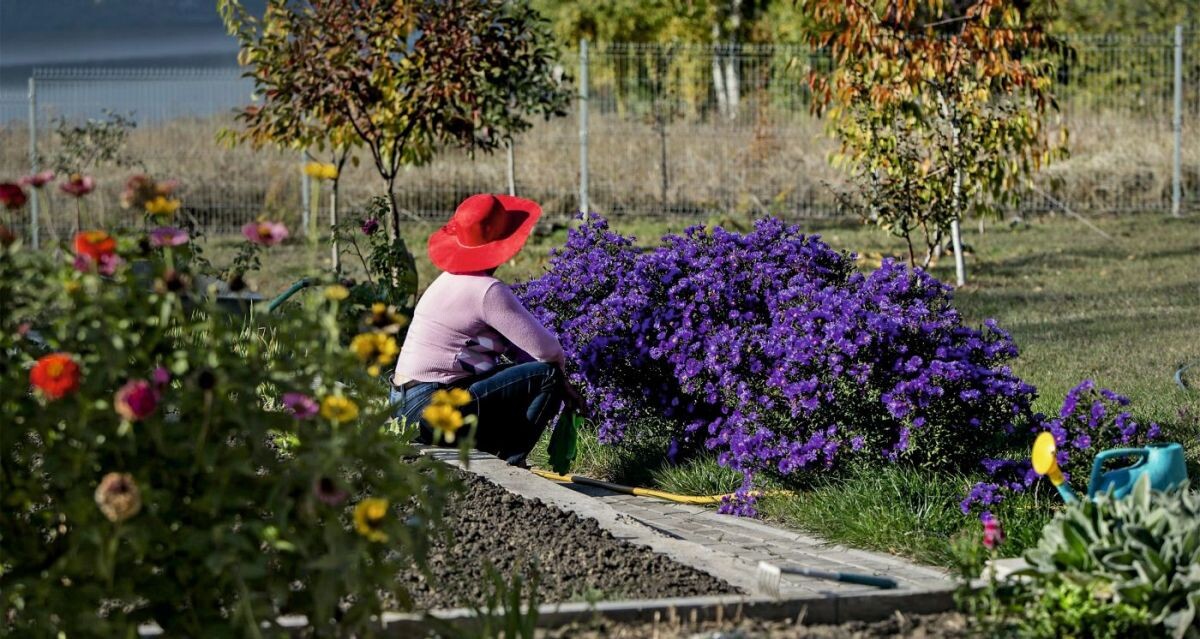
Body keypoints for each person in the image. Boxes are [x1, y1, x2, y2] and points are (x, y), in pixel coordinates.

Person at [391, 193, 585, 466]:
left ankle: (495, 454)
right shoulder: (486, 290)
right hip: (430, 407)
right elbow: (550, 352)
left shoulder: (445, 281)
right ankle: (509, 464)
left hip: (405, 406)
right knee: (547, 377)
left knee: (514, 376)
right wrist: (565, 386)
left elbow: (519, 354)